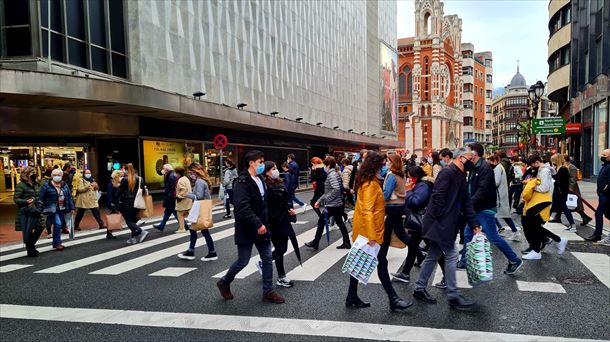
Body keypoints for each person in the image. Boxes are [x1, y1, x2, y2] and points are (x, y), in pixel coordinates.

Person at [413, 147, 481, 311]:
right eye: (470, 159)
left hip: (444, 222)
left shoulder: (462, 175)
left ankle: (420, 288)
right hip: (440, 222)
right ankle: (453, 295)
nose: (473, 162)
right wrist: (444, 220)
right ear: (460, 158)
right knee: (452, 254)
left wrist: (474, 225)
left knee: (433, 255)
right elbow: (438, 197)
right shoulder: (447, 172)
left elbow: (466, 202)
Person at [346, 151, 413, 311]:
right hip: (370, 233)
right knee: (381, 263)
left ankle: (352, 297)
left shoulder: (370, 181)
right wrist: (371, 236)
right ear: (375, 165)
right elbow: (368, 210)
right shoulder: (370, 184)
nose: (384, 167)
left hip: (367, 231)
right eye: (382, 165)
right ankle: (393, 299)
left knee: (360, 263)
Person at [216, 150, 285, 304]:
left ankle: (268, 291)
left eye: (262, 161)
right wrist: (257, 223)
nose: (262, 164)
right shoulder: (241, 182)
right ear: (251, 163)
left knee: (267, 258)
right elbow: (242, 207)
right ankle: (225, 281)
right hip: (247, 227)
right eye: (260, 162)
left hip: (262, 227)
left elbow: (264, 203)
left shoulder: (260, 179)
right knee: (243, 260)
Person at [458, 143, 523, 275]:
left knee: (493, 237)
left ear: (474, 154)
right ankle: (465, 260)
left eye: (468, 152)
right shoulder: (475, 166)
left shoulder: (484, 168)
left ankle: (514, 260)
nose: (466, 154)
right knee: (467, 234)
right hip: (477, 207)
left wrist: (468, 204)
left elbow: (481, 191)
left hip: (484, 208)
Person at [391, 166, 433, 283]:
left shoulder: (423, 185)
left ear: (416, 176)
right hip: (419, 223)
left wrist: (409, 190)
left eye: (410, 177)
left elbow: (416, 202)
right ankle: (405, 273)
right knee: (413, 247)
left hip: (422, 222)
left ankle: (447, 276)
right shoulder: (421, 184)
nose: (409, 180)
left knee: (435, 250)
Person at [521, 155, 568, 260]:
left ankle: (538, 250)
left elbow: (544, 188)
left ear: (537, 162)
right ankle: (557, 241)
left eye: (533, 164)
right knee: (533, 225)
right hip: (538, 202)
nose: (532, 167)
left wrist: (530, 183)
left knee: (533, 225)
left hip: (542, 202)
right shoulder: (542, 170)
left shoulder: (545, 171)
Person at [262, 161, 297, 288]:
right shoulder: (265, 186)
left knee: (283, 248)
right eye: (273, 169)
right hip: (274, 221)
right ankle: (281, 277)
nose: (276, 170)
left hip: (283, 220)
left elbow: (284, 199)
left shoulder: (278, 182)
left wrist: (289, 208)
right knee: (281, 248)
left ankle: (266, 262)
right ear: (266, 172)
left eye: (276, 168)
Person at [306, 156, 351, 249]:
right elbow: (331, 190)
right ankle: (347, 242)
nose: (324, 167)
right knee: (339, 223)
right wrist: (320, 200)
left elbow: (335, 189)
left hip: (332, 204)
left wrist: (325, 199)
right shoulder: (334, 173)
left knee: (322, 221)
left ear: (329, 165)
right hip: (335, 203)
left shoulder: (332, 175)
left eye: (325, 165)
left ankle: (315, 242)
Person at [177, 163, 217, 261]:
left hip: (200, 208)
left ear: (195, 171)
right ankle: (209, 252)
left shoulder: (199, 181)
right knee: (200, 230)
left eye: (191, 173)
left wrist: (186, 194)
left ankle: (194, 252)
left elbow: (198, 196)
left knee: (198, 230)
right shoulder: (204, 181)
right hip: (203, 207)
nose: (191, 175)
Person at [39, 168, 75, 251]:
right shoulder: (46, 185)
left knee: (57, 226)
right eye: (54, 175)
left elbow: (69, 197)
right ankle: (58, 243)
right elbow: (41, 198)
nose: (56, 177)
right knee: (58, 224)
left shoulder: (64, 185)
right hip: (52, 209)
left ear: (62, 176)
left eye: (58, 175)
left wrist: (72, 207)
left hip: (62, 208)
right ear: (51, 176)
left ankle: (55, 243)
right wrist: (41, 208)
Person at [487, 156, 521, 241]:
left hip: (499, 195)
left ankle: (513, 231)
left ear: (496, 160)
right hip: (500, 194)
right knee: (499, 214)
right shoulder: (499, 167)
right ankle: (507, 230)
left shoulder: (498, 168)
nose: (490, 163)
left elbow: (496, 182)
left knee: (501, 214)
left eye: (491, 161)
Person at [14, 167, 45, 257]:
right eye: (32, 172)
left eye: (35, 172)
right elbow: (16, 199)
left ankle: (31, 245)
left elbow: (38, 195)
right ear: (26, 174)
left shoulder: (36, 184)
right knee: (28, 230)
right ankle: (31, 249)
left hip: (36, 209)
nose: (34, 173)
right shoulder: (21, 185)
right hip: (26, 211)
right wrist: (26, 201)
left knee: (41, 225)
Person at [118, 163, 149, 244]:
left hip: (127, 202)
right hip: (137, 202)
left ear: (126, 170)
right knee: (133, 220)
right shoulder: (140, 179)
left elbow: (120, 192)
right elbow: (143, 191)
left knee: (129, 221)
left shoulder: (124, 180)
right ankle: (133, 238)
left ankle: (141, 231)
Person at [587, 149, 610, 242]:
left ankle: (597, 234)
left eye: (604, 155)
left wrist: (606, 189)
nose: (602, 156)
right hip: (603, 194)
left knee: (599, 214)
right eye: (602, 154)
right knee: (607, 214)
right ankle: (597, 234)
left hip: (606, 195)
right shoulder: (606, 166)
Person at [548, 154, 576, 231]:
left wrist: (554, 179)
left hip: (561, 192)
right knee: (562, 208)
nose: (552, 162)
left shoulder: (563, 169)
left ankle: (573, 225)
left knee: (564, 208)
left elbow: (560, 181)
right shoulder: (560, 168)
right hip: (560, 192)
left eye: (553, 161)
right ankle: (571, 224)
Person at [564, 154, 592, 226]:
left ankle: (585, 217)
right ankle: (585, 217)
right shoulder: (566, 166)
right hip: (568, 188)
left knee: (574, 205)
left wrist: (570, 189)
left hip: (572, 189)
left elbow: (573, 179)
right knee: (573, 205)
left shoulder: (572, 167)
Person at [306, 157, 327, 247]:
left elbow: (313, 178)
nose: (311, 165)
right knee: (337, 218)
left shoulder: (318, 169)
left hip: (320, 189)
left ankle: (315, 242)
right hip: (323, 189)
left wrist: (313, 171)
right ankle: (315, 243)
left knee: (313, 203)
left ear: (314, 162)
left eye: (312, 163)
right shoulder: (323, 168)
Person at [154, 164, 179, 232]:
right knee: (168, 212)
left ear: (167, 170)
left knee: (173, 212)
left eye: (163, 168)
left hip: (171, 198)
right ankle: (161, 226)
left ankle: (184, 225)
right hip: (170, 198)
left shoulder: (171, 176)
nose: (162, 170)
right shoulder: (170, 175)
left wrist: (169, 196)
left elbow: (172, 188)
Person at [174, 166, 193, 234]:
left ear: (178, 173)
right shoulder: (186, 178)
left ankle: (182, 228)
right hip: (188, 199)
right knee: (188, 212)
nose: (175, 174)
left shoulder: (180, 180)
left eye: (175, 173)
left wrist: (179, 196)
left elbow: (183, 190)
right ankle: (194, 225)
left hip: (182, 200)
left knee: (180, 214)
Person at [105, 170, 123, 239]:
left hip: (117, 203)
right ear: (115, 176)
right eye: (119, 176)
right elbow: (109, 195)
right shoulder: (111, 184)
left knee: (113, 216)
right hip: (113, 203)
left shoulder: (117, 183)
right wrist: (111, 204)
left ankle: (109, 233)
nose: (120, 177)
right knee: (112, 217)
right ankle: (109, 233)